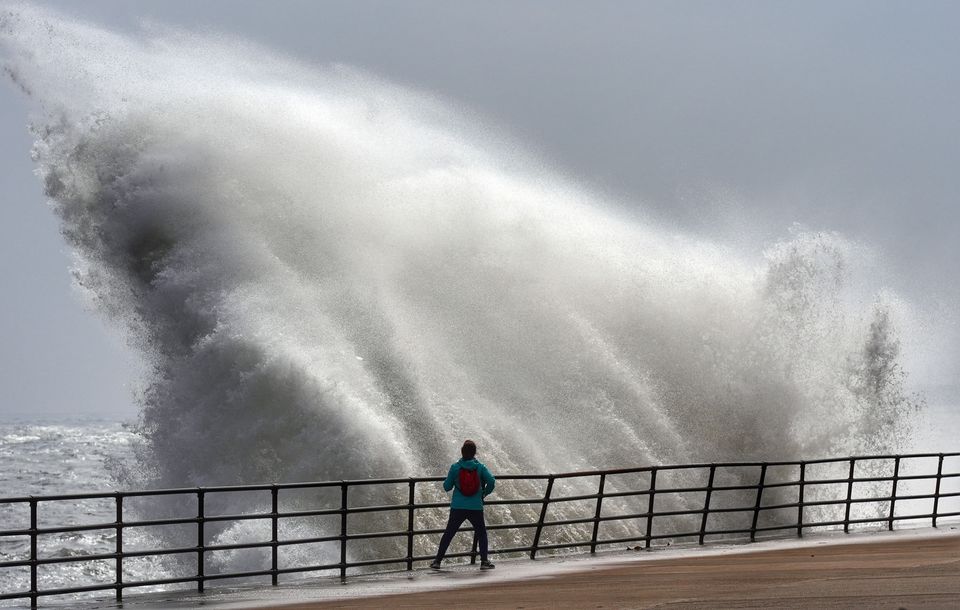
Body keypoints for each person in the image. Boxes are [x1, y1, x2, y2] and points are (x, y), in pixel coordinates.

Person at [430, 439, 496, 570]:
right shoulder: (480, 467)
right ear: (474, 453)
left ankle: (437, 561)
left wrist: (452, 481)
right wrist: (483, 493)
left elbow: (447, 487)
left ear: (462, 452)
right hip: (476, 506)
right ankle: (484, 561)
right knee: (481, 533)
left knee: (449, 533)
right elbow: (492, 481)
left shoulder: (455, 467)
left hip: (458, 507)